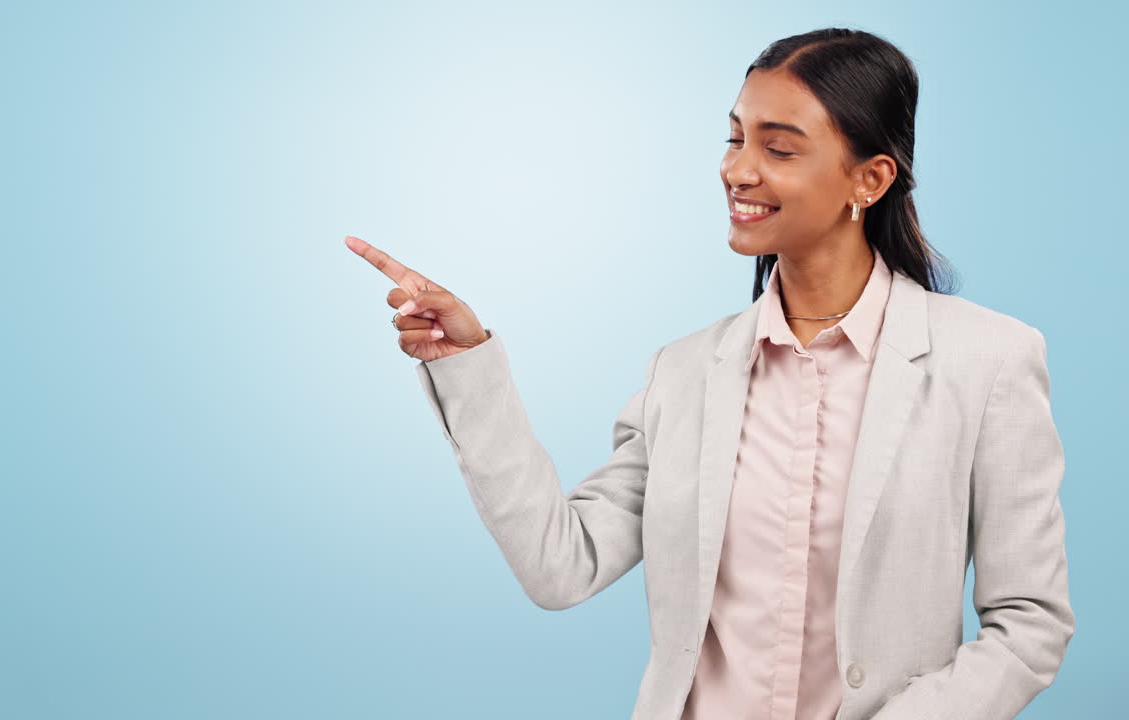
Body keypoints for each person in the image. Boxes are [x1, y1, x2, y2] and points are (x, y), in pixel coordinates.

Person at [345, 27, 1073, 720]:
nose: (737, 169)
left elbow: (1030, 625)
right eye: (735, 137)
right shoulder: (684, 373)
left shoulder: (988, 362)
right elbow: (562, 566)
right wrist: (468, 365)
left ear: (870, 179)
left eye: (778, 148)